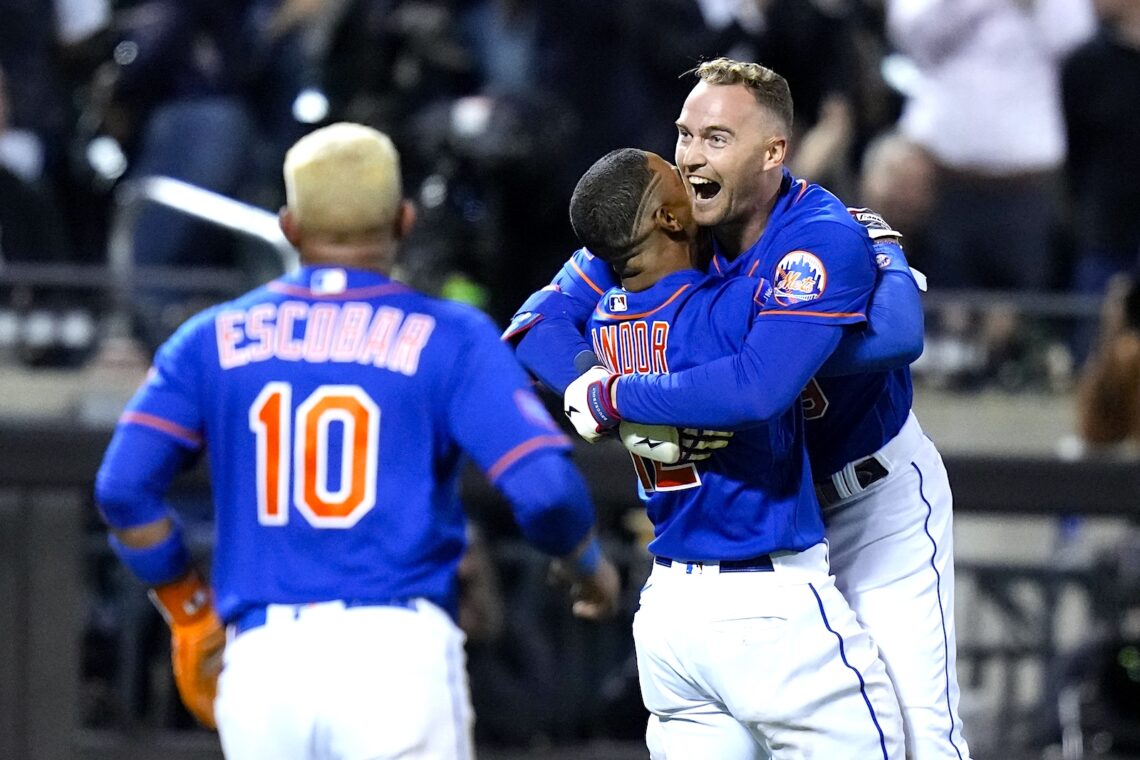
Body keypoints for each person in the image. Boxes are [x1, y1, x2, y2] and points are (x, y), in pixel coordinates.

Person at [93, 121, 619, 759]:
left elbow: (124, 491)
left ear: (289, 227)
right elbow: (547, 494)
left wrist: (188, 606)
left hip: (264, 664)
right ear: (402, 221)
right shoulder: (449, 335)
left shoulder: (210, 337)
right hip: (394, 657)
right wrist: (586, 569)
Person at [509, 58, 970, 759]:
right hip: (758, 527)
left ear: (773, 152)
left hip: (867, 503)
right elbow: (535, 324)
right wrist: (588, 383)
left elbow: (892, 340)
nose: (690, 155)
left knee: (920, 738)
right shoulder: (664, 223)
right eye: (684, 134)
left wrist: (639, 385)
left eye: (716, 138)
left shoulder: (815, 233)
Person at [571, 146, 904, 757]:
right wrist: (883, 247)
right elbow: (894, 331)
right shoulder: (730, 308)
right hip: (764, 601)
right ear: (669, 219)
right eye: (678, 180)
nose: (694, 177)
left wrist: (609, 391)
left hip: (670, 614)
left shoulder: (601, 322)